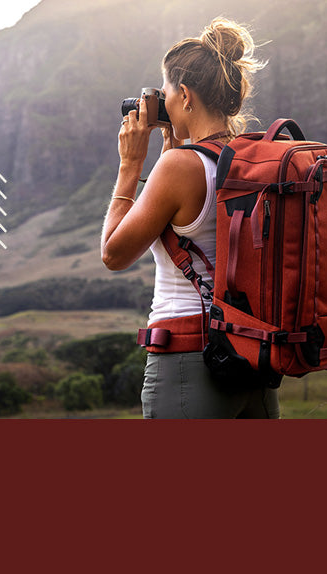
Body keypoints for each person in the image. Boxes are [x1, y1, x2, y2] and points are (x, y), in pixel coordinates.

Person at [101, 17, 280, 419]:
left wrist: (130, 166)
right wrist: (172, 149)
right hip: (251, 359)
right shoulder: (251, 159)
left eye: (164, 91)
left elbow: (113, 254)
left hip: (188, 362)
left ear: (184, 95)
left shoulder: (180, 168)